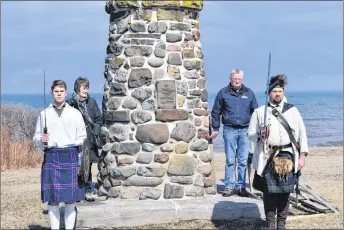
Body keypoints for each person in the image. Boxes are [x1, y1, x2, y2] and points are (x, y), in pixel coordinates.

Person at [248, 74, 308, 230]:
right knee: (268, 193)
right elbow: (250, 133)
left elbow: (302, 134)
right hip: (268, 156)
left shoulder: (292, 110)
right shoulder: (260, 112)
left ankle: (281, 223)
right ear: (269, 93)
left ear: (283, 92)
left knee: (285, 192)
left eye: (280, 91)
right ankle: (270, 224)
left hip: (288, 155)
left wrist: (302, 156)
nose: (277, 94)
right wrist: (259, 135)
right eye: (274, 91)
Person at [33, 80, 87, 229]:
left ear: (66, 93)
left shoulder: (75, 113)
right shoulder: (44, 114)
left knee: (70, 200)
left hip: (71, 155)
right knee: (53, 199)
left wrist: (79, 157)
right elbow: (36, 138)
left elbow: (82, 136)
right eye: (56, 91)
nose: (59, 94)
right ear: (52, 93)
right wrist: (41, 139)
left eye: (61, 91)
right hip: (51, 156)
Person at [210, 69, 258, 197]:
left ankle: (241, 186)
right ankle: (229, 186)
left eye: (239, 79)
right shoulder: (223, 93)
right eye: (235, 79)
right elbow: (216, 112)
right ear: (230, 79)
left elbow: (256, 112)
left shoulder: (249, 93)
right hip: (229, 129)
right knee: (230, 159)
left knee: (243, 160)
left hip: (245, 130)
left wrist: (257, 129)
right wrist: (215, 129)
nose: (237, 81)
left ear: (242, 79)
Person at [67, 77, 102, 201]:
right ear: (77, 88)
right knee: (76, 166)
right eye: (83, 88)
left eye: (87, 88)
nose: (86, 90)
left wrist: (96, 132)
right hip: (75, 140)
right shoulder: (70, 104)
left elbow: (98, 119)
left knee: (88, 165)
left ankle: (87, 190)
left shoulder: (91, 102)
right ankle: (76, 191)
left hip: (90, 139)